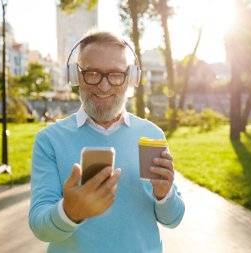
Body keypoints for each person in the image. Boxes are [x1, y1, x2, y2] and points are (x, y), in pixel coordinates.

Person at [29, 30, 185, 253]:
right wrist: (69, 212)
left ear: (131, 78)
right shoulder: (49, 140)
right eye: (92, 73)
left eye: (115, 74)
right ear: (75, 76)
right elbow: (40, 228)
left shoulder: (152, 135)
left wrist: (165, 194)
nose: (104, 86)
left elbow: (174, 219)